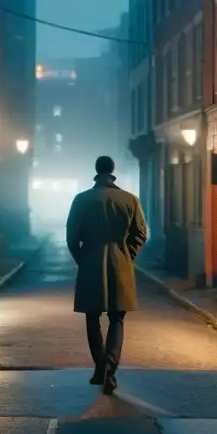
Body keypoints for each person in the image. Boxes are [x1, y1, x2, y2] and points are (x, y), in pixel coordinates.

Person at [66, 155, 148, 395]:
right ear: (113, 172)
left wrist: (84, 260)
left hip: (91, 261)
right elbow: (140, 234)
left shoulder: (81, 200)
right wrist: (126, 256)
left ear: (96, 171)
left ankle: (99, 367)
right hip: (120, 263)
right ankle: (110, 369)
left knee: (92, 318)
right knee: (117, 319)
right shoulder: (130, 200)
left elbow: (72, 239)